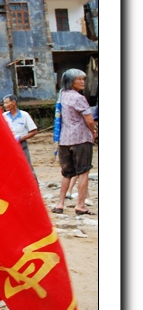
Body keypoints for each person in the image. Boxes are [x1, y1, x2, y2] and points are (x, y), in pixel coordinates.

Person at [52, 69, 98, 216]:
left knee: (66, 173)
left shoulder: (62, 96)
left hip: (64, 139)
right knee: (83, 172)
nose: (82, 82)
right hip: (80, 139)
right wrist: (94, 131)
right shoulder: (78, 98)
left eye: (83, 79)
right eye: (79, 79)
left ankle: (60, 204)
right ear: (71, 82)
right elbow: (89, 120)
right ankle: (80, 205)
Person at [2, 94, 38, 178]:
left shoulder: (24, 115)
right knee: (10, 168)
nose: (5, 105)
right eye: (4, 103)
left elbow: (34, 131)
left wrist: (21, 138)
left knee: (28, 167)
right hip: (8, 145)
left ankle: (34, 185)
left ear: (13, 102)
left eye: (6, 103)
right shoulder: (4, 116)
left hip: (21, 144)